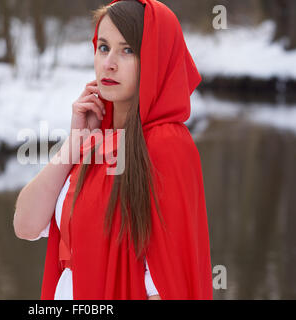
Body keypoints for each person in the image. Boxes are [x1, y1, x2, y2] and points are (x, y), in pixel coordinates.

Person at [14, 0, 213, 300]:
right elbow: (26, 225)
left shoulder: (166, 144)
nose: (109, 63)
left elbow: (166, 283)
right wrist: (74, 143)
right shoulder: (93, 144)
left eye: (128, 50)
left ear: (155, 59)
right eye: (104, 47)